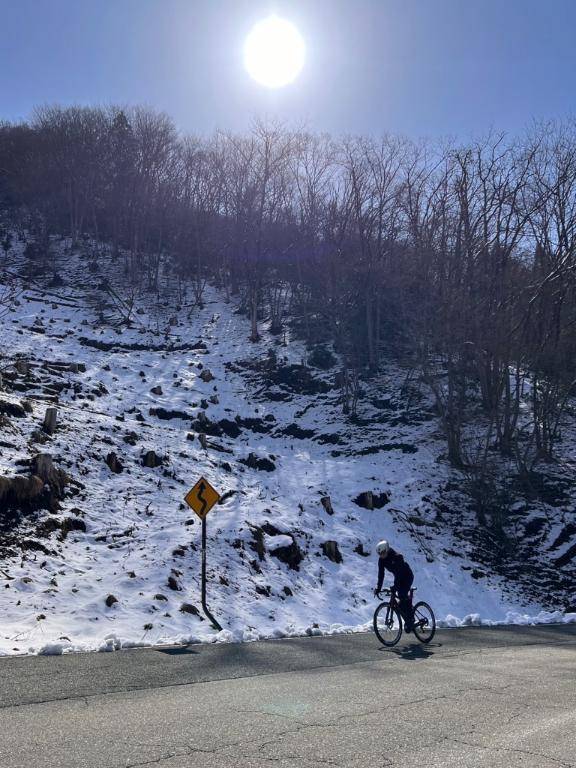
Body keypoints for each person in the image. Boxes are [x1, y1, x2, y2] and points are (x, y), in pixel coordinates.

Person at [373, 540, 414, 632]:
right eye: (379, 554)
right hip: (398, 578)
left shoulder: (397, 557)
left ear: (387, 550)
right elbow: (381, 575)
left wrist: (395, 586)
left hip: (407, 576)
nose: (381, 555)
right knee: (400, 598)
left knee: (401, 594)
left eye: (383, 553)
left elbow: (399, 573)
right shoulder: (381, 560)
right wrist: (378, 588)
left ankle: (410, 618)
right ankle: (407, 615)